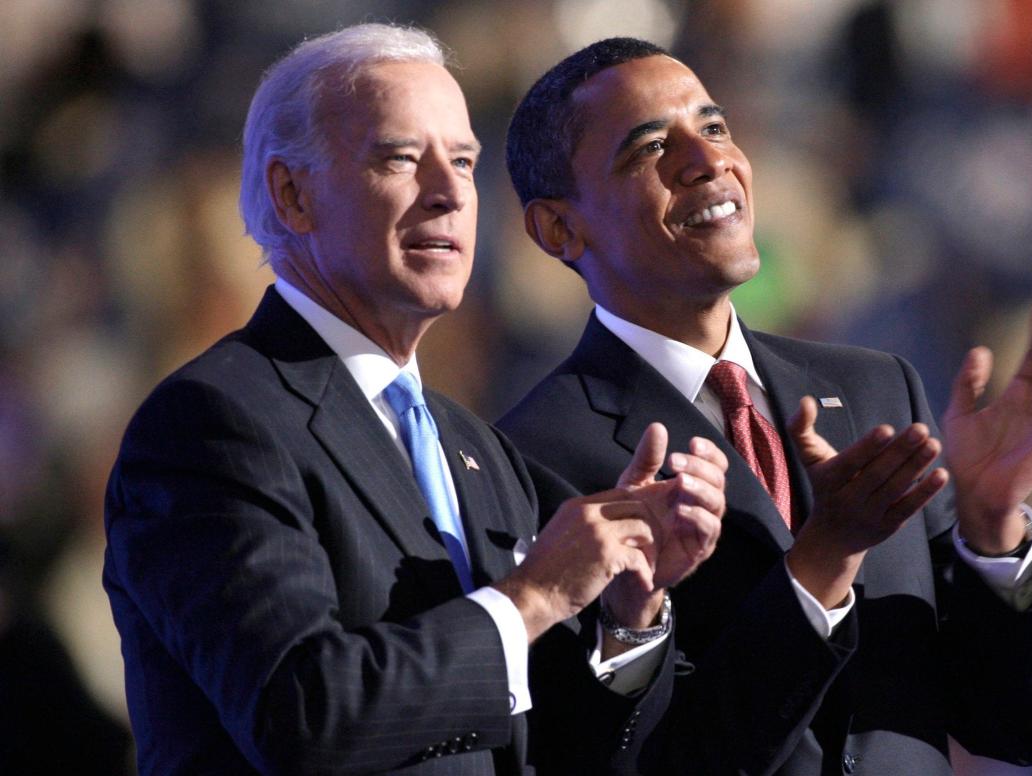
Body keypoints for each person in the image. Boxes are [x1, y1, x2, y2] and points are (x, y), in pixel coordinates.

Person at [102, 25, 729, 776]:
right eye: (401, 158)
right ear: (292, 194)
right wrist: (534, 595)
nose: (448, 193)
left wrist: (628, 618)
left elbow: (552, 746)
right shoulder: (213, 424)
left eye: (463, 161)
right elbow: (304, 715)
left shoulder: (475, 447)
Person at [499, 38, 1032, 775]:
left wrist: (991, 524)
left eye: (714, 127)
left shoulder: (879, 390)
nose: (707, 160)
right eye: (650, 147)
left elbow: (1015, 724)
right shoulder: (531, 458)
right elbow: (628, 759)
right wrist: (821, 559)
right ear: (559, 228)